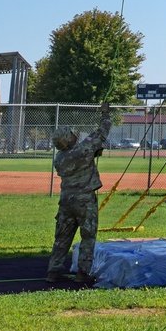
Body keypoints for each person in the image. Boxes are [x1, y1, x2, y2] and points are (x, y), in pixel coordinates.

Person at [47, 104, 112, 286]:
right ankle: (83, 273)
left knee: (62, 237)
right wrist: (105, 112)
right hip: (84, 201)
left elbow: (83, 154)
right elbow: (102, 131)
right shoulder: (83, 149)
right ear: (69, 138)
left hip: (66, 201)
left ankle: (53, 271)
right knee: (88, 236)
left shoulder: (59, 158)